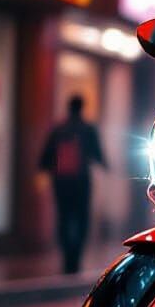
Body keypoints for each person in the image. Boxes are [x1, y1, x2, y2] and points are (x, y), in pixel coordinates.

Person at [39, 95, 107, 275]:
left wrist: (45, 170)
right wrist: (108, 167)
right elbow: (98, 155)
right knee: (81, 218)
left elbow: (45, 157)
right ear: (82, 107)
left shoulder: (58, 129)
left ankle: (66, 256)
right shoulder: (88, 129)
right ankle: (75, 257)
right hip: (82, 181)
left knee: (63, 217)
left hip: (61, 181)